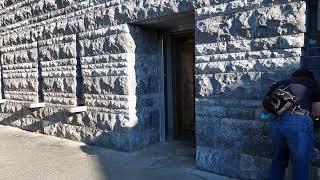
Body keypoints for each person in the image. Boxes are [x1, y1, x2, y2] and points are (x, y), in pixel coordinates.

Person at [262, 68, 320, 180]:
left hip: (277, 123)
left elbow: (264, 110)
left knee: (278, 163)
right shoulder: (311, 83)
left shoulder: (279, 84)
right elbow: (317, 112)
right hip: (299, 123)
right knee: (301, 165)